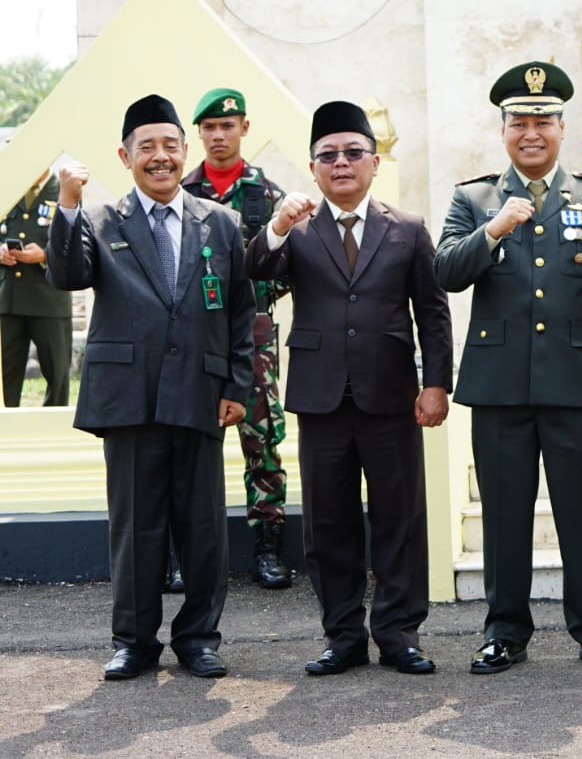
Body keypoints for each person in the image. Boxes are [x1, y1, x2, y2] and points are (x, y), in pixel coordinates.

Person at [434, 62, 582, 674]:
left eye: (543, 121)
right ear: (503, 130)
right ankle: (504, 630)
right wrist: (494, 230)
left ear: (561, 128)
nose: (531, 132)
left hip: (576, 382)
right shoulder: (473, 199)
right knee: (504, 516)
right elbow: (446, 272)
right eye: (519, 122)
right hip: (499, 387)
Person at [48, 94, 254, 680]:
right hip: (128, 397)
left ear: (184, 152)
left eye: (170, 146)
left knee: (203, 524)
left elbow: (239, 311)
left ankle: (198, 638)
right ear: (125, 155)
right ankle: (134, 641)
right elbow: (67, 275)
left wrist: (237, 382)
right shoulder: (99, 221)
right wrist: (67, 200)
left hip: (201, 391)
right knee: (135, 526)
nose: (160, 158)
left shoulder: (221, 222)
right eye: (147, 148)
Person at [246, 101, 453, 676]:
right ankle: (342, 635)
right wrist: (277, 227)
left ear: (375, 162)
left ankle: (398, 633)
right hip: (321, 398)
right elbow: (254, 275)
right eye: (328, 155)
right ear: (313, 168)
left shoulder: (407, 228)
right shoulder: (298, 227)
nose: (341, 163)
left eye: (353, 152)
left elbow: (432, 314)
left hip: (392, 397)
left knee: (399, 519)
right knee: (328, 523)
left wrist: (435, 384)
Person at [180, 88, 293, 589]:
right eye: (209, 128)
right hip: (194, 336)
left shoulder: (267, 195)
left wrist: (251, 290)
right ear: (199, 134)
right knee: (188, 441)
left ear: (244, 128)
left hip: (253, 336)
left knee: (262, 438)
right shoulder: (181, 193)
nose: (219, 135)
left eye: (228, 126)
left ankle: (267, 546)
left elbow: (292, 263)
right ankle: (186, 553)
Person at [1, 167, 72, 408]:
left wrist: (44, 254)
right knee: (6, 378)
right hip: (9, 299)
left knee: (57, 375)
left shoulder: (64, 189)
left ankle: (54, 431)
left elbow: (77, 242)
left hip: (48, 298)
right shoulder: (10, 188)